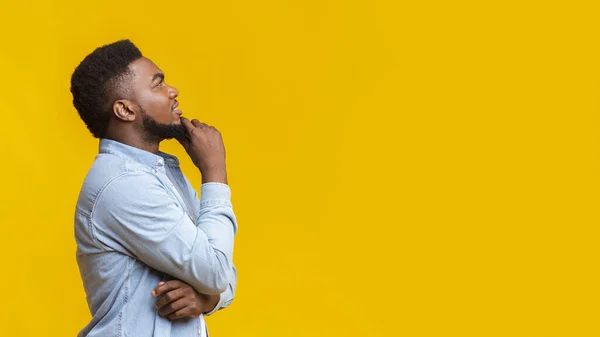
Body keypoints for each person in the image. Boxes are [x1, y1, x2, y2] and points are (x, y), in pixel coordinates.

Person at [70, 39, 237, 337]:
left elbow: (225, 271)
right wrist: (214, 172)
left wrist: (206, 299)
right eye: (158, 85)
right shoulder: (123, 184)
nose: (173, 91)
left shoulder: (160, 172)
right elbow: (216, 271)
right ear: (125, 110)